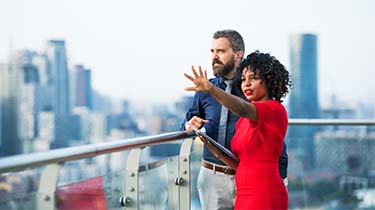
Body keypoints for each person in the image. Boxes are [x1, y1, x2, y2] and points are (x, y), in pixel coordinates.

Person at [181, 29, 288, 210]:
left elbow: (243, 108)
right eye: (212, 52)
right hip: (232, 185)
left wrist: (210, 89)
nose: (246, 83)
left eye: (221, 51)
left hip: (261, 192)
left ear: (238, 55)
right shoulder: (242, 120)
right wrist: (198, 133)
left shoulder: (268, 108)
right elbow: (243, 158)